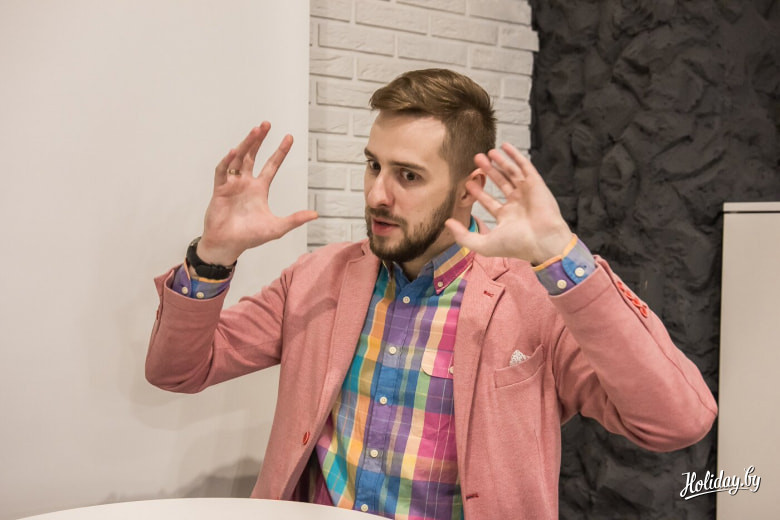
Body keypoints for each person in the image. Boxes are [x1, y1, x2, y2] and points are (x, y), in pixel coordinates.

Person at [146, 68, 717, 519]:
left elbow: (678, 421)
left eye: (408, 175)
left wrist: (564, 257)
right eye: (373, 166)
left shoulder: (534, 300)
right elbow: (177, 370)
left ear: (470, 189)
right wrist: (213, 255)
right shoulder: (318, 278)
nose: (378, 194)